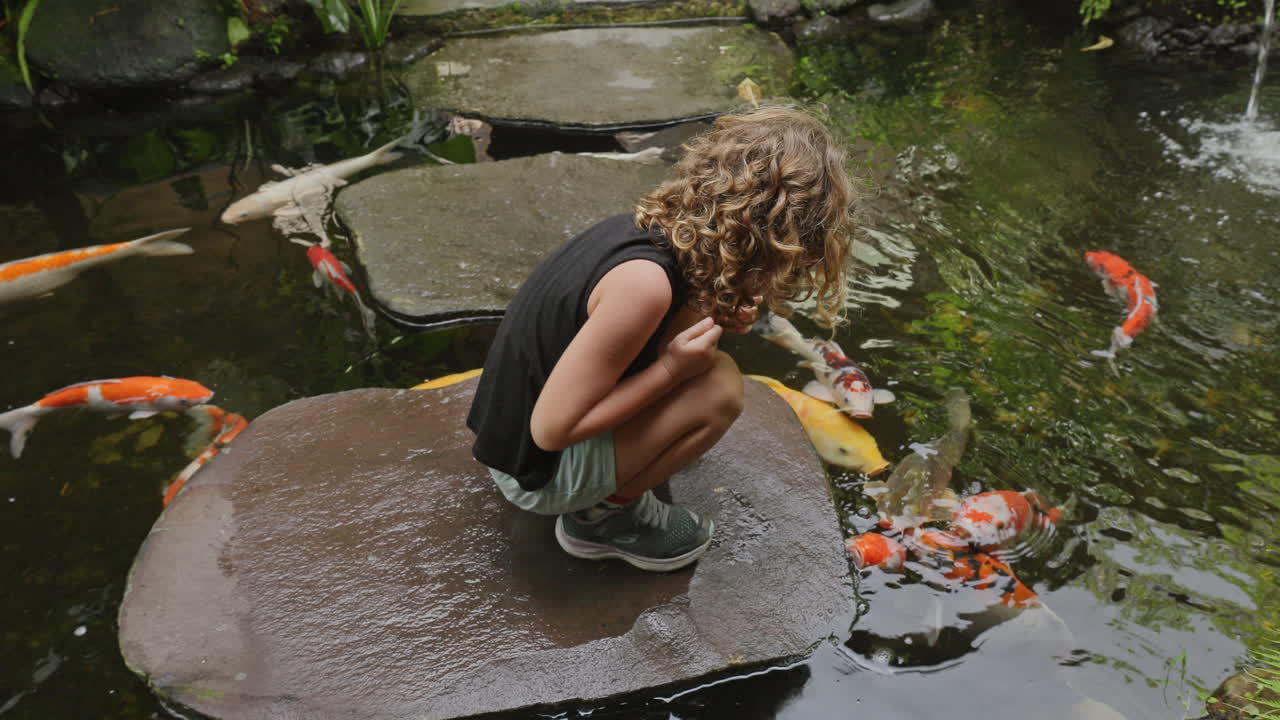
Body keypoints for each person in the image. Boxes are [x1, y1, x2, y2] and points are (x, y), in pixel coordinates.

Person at [466, 105, 856, 572]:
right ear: (769, 243)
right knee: (719, 390)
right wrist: (672, 369)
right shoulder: (644, 287)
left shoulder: (653, 232)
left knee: (705, 369)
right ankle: (600, 519)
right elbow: (551, 429)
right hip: (532, 472)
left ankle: (610, 480)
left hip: (512, 437)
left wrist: (715, 306)